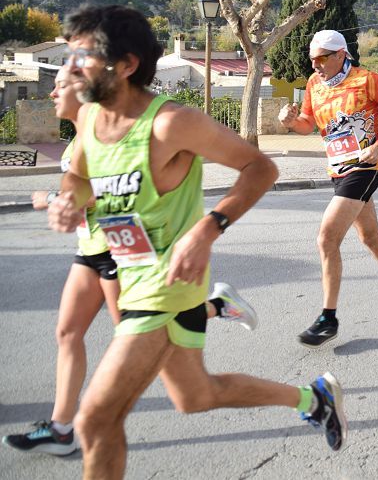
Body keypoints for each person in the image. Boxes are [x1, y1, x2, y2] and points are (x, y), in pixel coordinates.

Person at [46, 6, 345, 478]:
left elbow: (260, 168)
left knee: (96, 419)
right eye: (69, 56)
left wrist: (207, 230)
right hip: (131, 275)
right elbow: (79, 179)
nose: (69, 69)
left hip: (167, 288)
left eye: (81, 56)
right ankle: (314, 399)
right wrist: (67, 201)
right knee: (196, 396)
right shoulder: (91, 120)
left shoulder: (170, 124)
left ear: (125, 65)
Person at [3, 68, 257, 458]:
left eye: (61, 86)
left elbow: (101, 195)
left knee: (135, 334)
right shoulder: (80, 139)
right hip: (89, 247)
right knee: (68, 332)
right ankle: (61, 427)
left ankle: (216, 307)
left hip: (118, 250)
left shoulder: (113, 130)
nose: (52, 92)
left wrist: (51, 201)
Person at [279, 30, 378, 347]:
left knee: (327, 237)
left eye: (322, 58)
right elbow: (306, 124)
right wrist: (290, 121)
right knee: (368, 236)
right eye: (312, 59)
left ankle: (328, 318)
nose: (315, 65)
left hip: (364, 168)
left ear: (341, 54)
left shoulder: (366, 80)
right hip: (337, 171)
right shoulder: (314, 86)